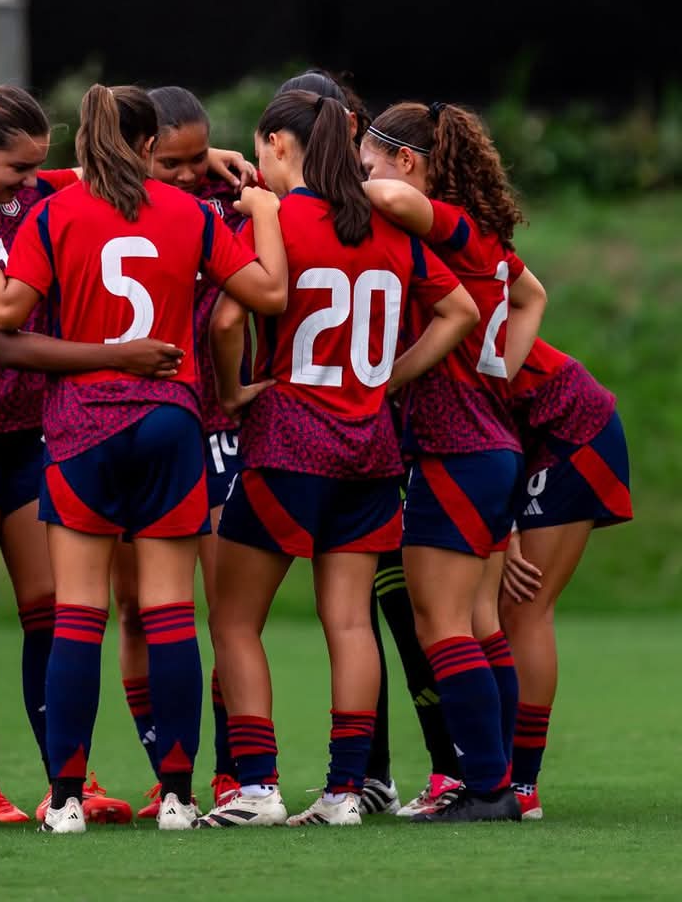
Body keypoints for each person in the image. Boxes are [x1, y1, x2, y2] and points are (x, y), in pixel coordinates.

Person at [0, 83, 288, 832]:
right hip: (171, 420)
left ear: (83, 148)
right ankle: (177, 795)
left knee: (78, 615)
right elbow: (264, 293)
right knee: (170, 615)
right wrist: (264, 212)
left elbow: (6, 312)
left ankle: (65, 798)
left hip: (81, 427)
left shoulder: (54, 212)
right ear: (147, 147)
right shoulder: (191, 213)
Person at [196, 92, 477, 828]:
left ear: (280, 145)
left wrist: (231, 393)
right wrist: (390, 376)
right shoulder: (386, 221)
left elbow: (228, 314)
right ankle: (346, 791)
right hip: (370, 448)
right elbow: (460, 312)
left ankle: (256, 787)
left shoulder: (282, 219)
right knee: (350, 623)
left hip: (290, 441)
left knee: (233, 621)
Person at [0, 85, 163, 825]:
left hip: (32, 437)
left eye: (41, 167)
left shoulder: (40, 200)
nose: (32, 179)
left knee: (53, 611)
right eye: (18, 168)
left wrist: (202, 162)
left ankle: (72, 779)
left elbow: (93, 174)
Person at [360, 100, 547, 823]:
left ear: (407, 161)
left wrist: (333, 180)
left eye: (371, 162)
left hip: (455, 447)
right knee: (479, 622)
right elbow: (534, 297)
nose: (364, 178)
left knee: (442, 626)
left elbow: (394, 196)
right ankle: (496, 784)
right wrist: (497, 368)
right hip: (489, 440)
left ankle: (488, 789)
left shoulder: (453, 225)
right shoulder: (488, 239)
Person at [109, 85, 246, 816]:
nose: (196, 172)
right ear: (138, 153)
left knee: (221, 608)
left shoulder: (226, 202)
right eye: (177, 160)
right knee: (134, 610)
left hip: (213, 428)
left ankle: (227, 769)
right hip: (130, 425)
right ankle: (164, 763)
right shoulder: (99, 209)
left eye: (203, 156)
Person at [500, 337, 632, 819]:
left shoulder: (443, 293)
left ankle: (521, 784)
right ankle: (492, 773)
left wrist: (508, 528)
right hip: (524, 437)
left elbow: (487, 418)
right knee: (498, 606)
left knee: (524, 606)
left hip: (572, 431)